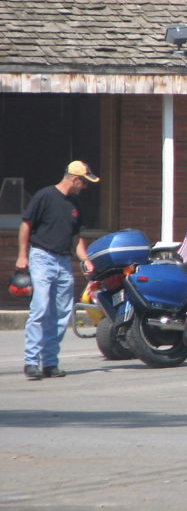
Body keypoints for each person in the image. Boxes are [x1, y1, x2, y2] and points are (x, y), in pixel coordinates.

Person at [16, 160, 100, 380]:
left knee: (62, 313)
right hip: (42, 256)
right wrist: (22, 255)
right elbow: (26, 225)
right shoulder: (44, 196)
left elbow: (76, 238)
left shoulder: (75, 205)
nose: (85, 187)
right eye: (84, 182)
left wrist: (85, 260)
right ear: (74, 179)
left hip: (63, 261)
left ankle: (50, 363)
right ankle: (31, 362)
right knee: (41, 308)